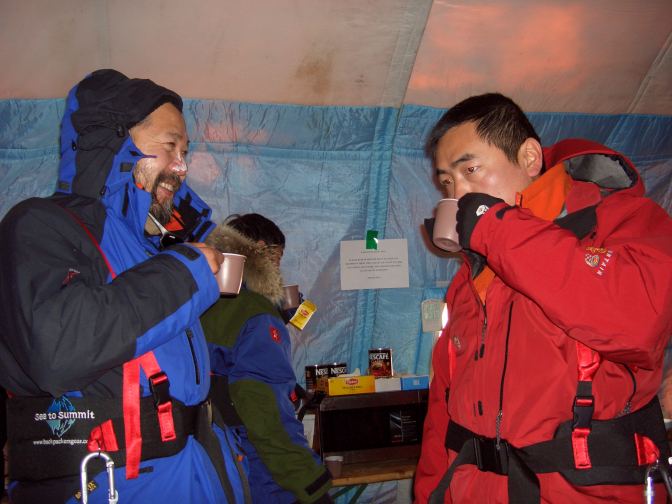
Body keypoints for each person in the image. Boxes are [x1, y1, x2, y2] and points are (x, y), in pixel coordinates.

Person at [0, 69, 249, 503]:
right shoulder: (39, 226)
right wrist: (187, 270)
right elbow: (60, 348)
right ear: (113, 144)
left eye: (186, 151)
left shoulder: (151, 248)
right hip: (106, 484)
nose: (182, 165)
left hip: (189, 472)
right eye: (170, 145)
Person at [414, 93, 672, 503]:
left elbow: (637, 323)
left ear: (530, 158)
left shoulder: (623, 223)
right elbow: (444, 409)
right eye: (447, 180)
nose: (457, 192)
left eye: (471, 169)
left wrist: (496, 228)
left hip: (581, 492)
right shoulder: (471, 276)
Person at [201, 213, 332, 503]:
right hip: (259, 472)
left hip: (214, 461)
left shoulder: (202, 299)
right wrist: (309, 480)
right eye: (277, 259)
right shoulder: (256, 314)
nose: (278, 269)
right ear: (260, 250)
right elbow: (265, 410)